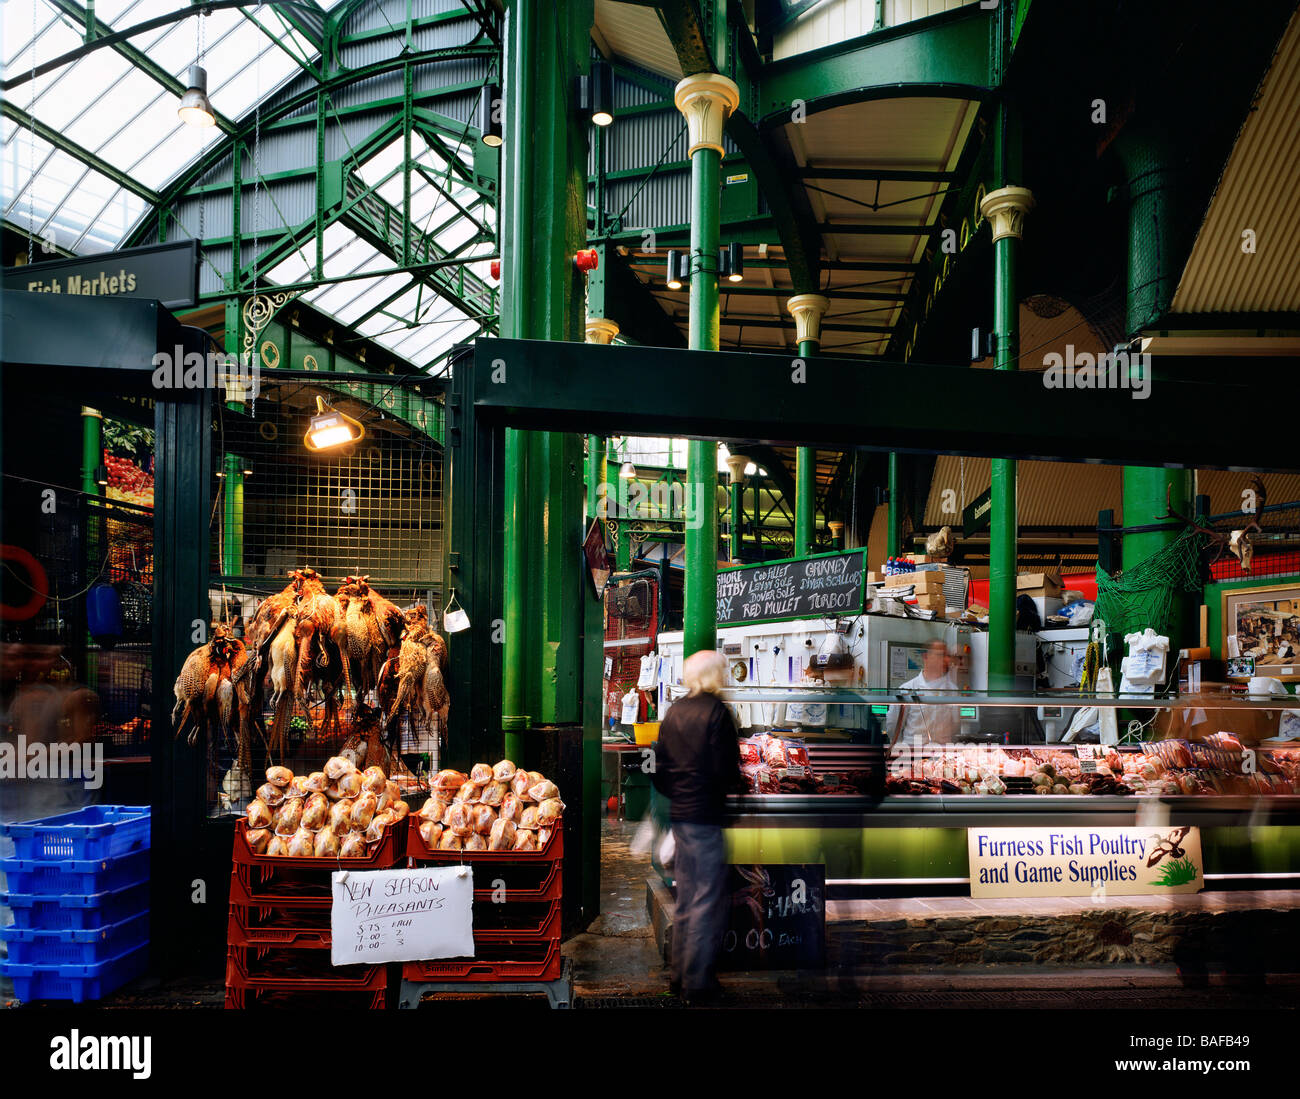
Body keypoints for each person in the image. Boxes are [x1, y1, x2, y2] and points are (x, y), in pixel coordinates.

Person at [650, 649, 743, 1004]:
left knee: (687, 899)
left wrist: (680, 796)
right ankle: (698, 984)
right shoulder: (718, 713)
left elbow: (659, 770)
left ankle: (679, 976)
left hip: (682, 818)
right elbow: (726, 770)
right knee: (706, 901)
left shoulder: (674, 711)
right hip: (706, 818)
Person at [885, 639, 961, 748]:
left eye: (947, 656)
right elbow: (893, 727)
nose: (946, 659)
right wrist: (904, 748)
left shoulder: (953, 691)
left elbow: (955, 726)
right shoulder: (907, 689)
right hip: (913, 754)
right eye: (940, 655)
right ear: (926, 657)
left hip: (941, 757)